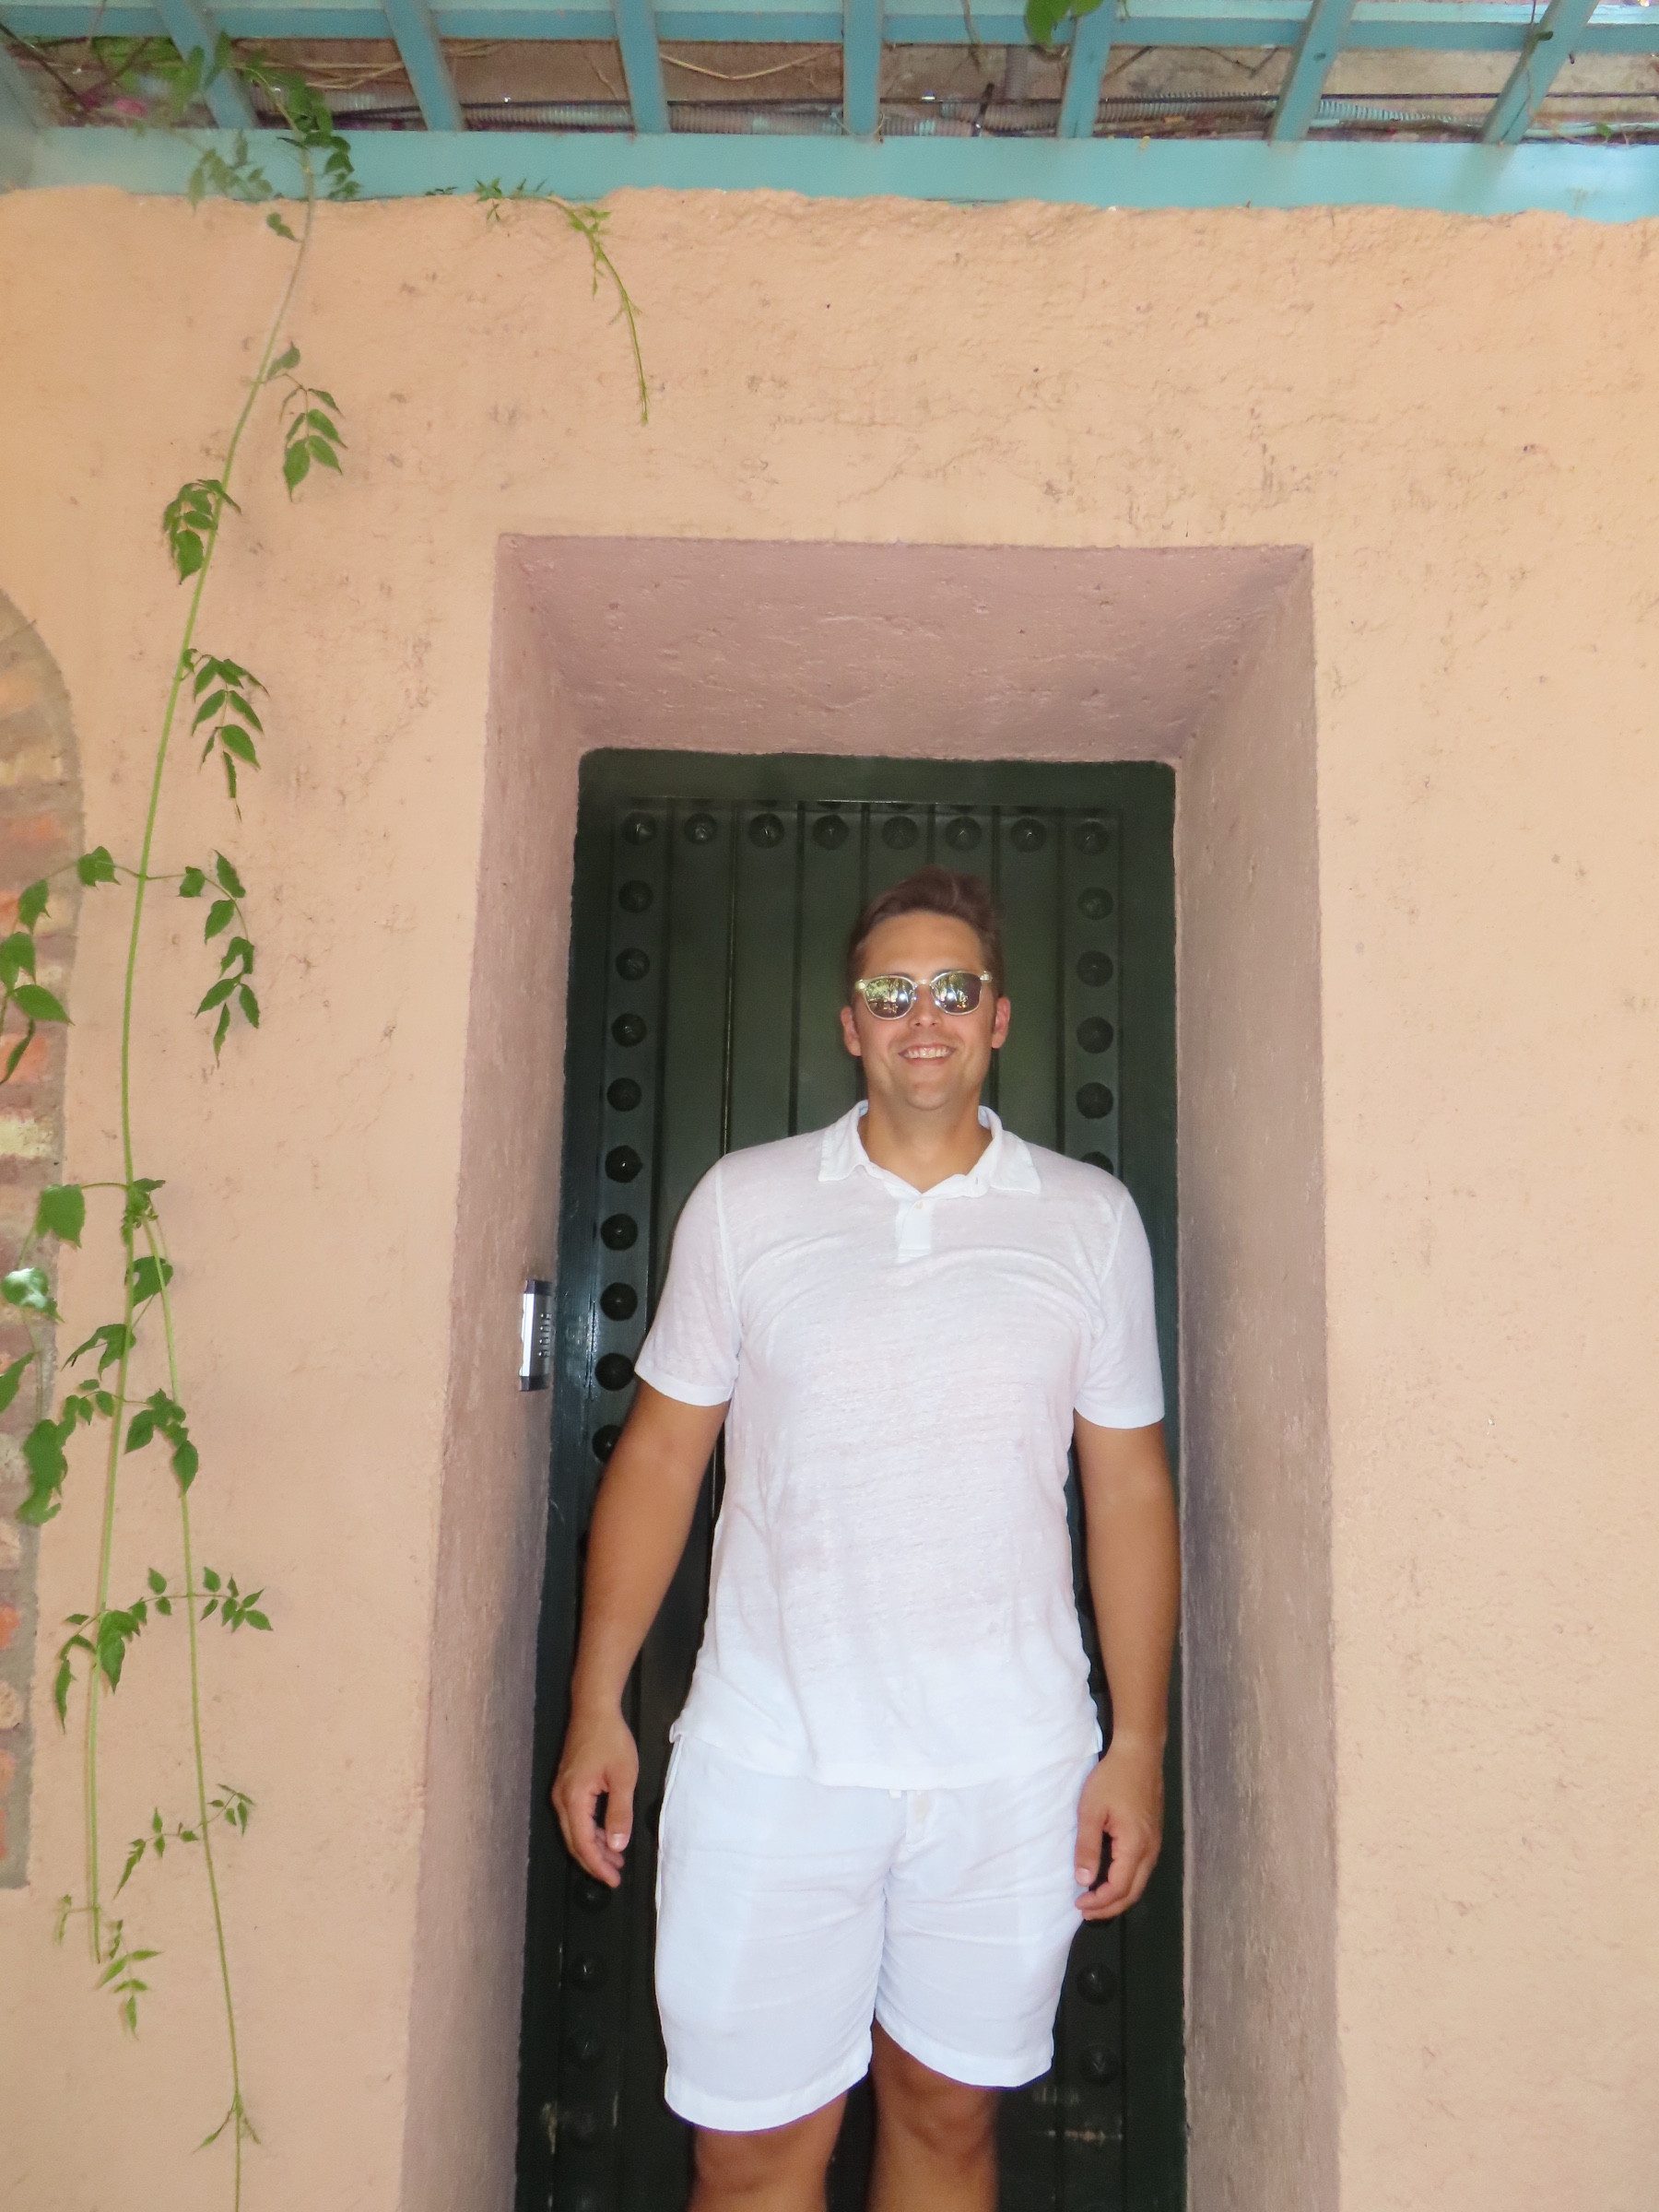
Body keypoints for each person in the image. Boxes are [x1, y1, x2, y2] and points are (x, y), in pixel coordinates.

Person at [552, 864, 1180, 2212]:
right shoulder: (746, 1203)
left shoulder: (1088, 1220)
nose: (923, 1019)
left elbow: (1128, 1490)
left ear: (998, 1016)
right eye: (891, 993)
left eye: (953, 989)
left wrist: (1137, 1744)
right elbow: (661, 1458)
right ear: (851, 1024)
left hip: (1010, 1769)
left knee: (948, 2126)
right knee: (750, 2155)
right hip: (771, 1760)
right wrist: (597, 1701)